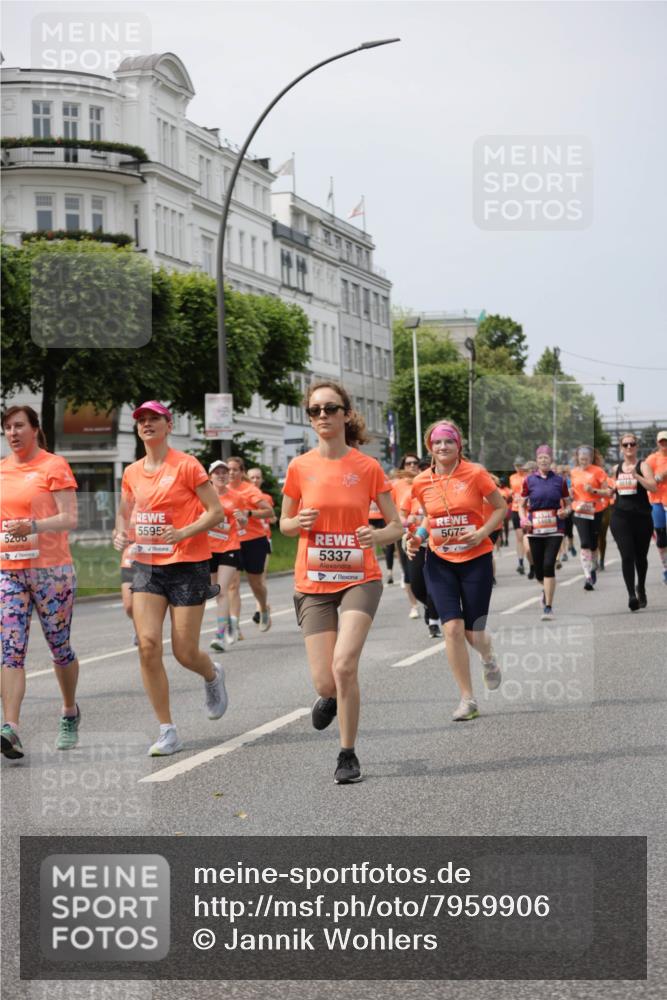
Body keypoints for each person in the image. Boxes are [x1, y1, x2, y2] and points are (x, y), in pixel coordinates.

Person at [280, 380, 402, 784]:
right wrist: (298, 522)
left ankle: (347, 754)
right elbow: (284, 524)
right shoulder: (299, 467)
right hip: (313, 580)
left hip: (358, 577)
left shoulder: (367, 467)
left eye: (330, 408)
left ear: (346, 414)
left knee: (345, 664)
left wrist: (376, 535)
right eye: (315, 410)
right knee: (324, 680)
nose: (322, 416)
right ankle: (329, 696)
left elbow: (396, 525)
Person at [112, 401, 228, 756]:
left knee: (184, 651)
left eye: (154, 419)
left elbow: (216, 513)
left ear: (168, 425)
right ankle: (167, 730)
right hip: (147, 565)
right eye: (141, 420)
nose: (146, 424)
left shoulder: (187, 465)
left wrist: (183, 532)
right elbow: (125, 515)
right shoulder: (132, 472)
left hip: (188, 564)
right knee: (148, 644)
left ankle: (211, 674)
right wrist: (120, 534)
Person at [407, 420, 507, 722]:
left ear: (458, 445)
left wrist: (482, 533)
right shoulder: (421, 481)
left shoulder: (475, 473)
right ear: (430, 447)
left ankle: (488, 657)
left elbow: (500, 507)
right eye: (437, 442)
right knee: (451, 627)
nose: (443, 447)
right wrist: (418, 538)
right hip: (439, 562)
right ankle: (467, 698)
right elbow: (431, 518)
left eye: (448, 441)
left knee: (473, 632)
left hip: (476, 558)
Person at [1, 405, 81, 759]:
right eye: (7, 427)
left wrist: (33, 526)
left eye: (19, 426)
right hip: (9, 570)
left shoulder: (54, 465)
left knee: (59, 647)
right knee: (10, 649)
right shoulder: (1, 470)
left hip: (51, 570)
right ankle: (11, 728)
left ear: (34, 429)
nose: (13, 433)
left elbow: (70, 518)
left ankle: (69, 711)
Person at [519, 445, 571, 620]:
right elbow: (521, 505)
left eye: (546, 457)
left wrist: (566, 511)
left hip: (555, 528)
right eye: (540, 457)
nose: (543, 460)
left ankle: (548, 607)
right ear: (537, 460)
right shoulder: (529, 481)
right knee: (539, 570)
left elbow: (568, 503)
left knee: (549, 564)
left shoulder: (559, 481)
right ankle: (546, 588)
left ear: (551, 460)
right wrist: (523, 519)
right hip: (535, 529)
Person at [610, 433, 658, 611]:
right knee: (627, 556)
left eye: (632, 444)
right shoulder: (616, 468)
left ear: (636, 446)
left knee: (641, 557)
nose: (629, 447)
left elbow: (653, 487)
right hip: (620, 517)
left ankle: (641, 588)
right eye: (625, 445)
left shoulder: (643, 465)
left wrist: (637, 476)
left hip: (641, 517)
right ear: (621, 448)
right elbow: (611, 490)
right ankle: (631, 595)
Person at [226, 457, 274, 635]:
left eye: (235, 469)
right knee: (232, 585)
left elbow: (269, 511)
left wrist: (249, 513)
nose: (231, 473)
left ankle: (263, 608)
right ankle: (234, 626)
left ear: (241, 472)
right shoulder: (221, 490)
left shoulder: (250, 490)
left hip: (254, 540)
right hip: (232, 542)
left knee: (256, 584)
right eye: (228, 469)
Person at [207, 460, 247, 651]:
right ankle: (227, 623)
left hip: (229, 547)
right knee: (215, 592)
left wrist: (243, 520)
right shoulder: (204, 496)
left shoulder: (236, 497)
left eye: (224, 472)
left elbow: (243, 523)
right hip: (208, 549)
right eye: (217, 473)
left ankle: (220, 635)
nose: (221, 475)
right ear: (210, 477)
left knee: (222, 591)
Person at [570, 446, 613, 591]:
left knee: (594, 543)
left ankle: (593, 566)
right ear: (577, 457)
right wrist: (570, 493)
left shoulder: (598, 471)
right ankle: (587, 576)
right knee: (585, 542)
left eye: (586, 457)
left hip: (596, 511)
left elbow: (608, 492)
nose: (583, 459)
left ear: (591, 458)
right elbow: (571, 490)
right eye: (581, 457)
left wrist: (593, 490)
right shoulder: (573, 472)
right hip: (579, 510)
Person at [247, 467, 277, 624]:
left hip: (264, 539)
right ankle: (263, 606)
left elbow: (273, 518)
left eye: (258, 477)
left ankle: (259, 610)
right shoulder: (242, 496)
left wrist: (269, 518)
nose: (255, 480)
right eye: (252, 477)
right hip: (246, 541)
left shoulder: (266, 498)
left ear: (262, 480)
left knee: (260, 577)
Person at [645, 430, 667, 585]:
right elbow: (646, 478)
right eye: (662, 441)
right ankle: (665, 567)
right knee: (661, 537)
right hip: (657, 501)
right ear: (658, 443)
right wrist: (657, 477)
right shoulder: (652, 459)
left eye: (666, 441)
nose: (664, 444)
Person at [509, 457, 528, 574]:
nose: (518, 468)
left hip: (527, 510)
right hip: (516, 509)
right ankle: (520, 562)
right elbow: (512, 491)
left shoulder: (528, 476)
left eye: (520, 465)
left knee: (529, 537)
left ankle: (533, 561)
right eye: (516, 466)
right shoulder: (512, 477)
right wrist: (512, 494)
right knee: (519, 537)